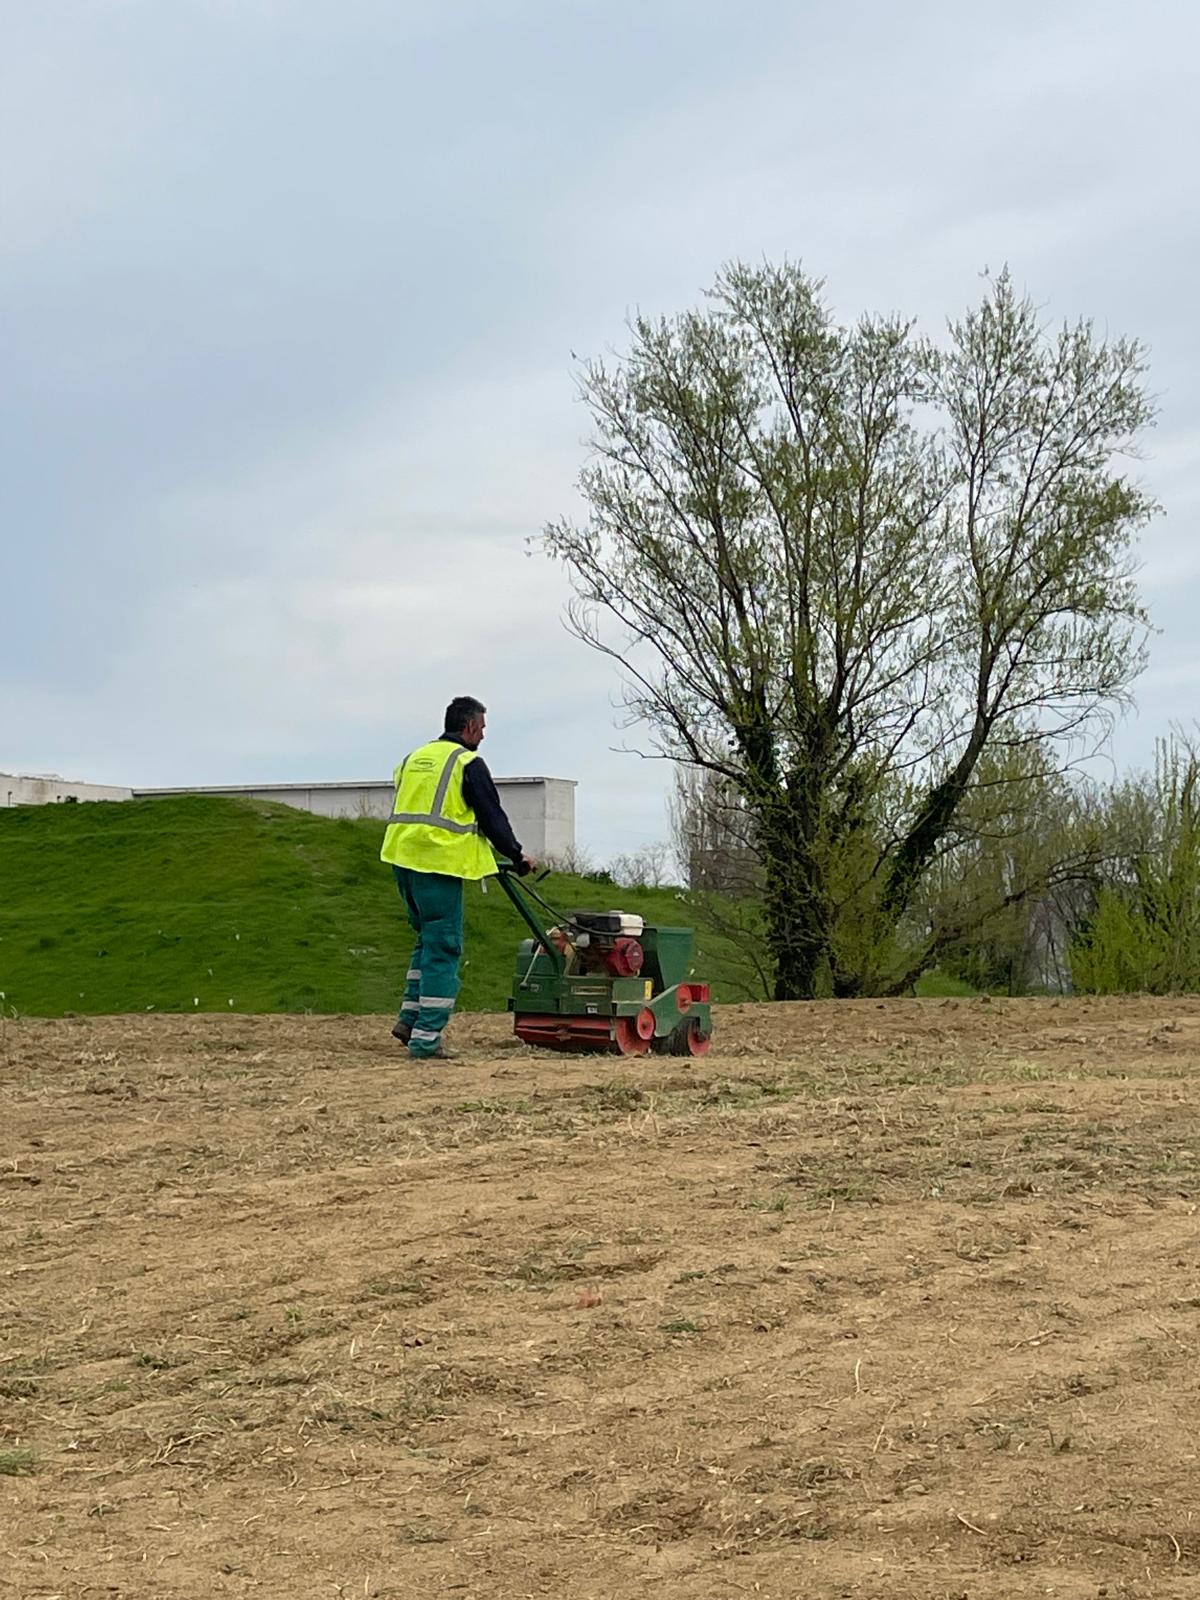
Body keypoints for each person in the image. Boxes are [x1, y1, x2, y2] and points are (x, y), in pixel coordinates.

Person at [380, 696, 536, 1060]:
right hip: (438, 863)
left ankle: (409, 1019)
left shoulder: (414, 759)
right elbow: (491, 816)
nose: (483, 735)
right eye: (481, 728)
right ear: (468, 727)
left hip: (402, 859)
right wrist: (517, 854)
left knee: (426, 940)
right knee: (444, 946)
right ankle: (426, 1039)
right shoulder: (468, 762)